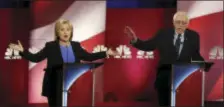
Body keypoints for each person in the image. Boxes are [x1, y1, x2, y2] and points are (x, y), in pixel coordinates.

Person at [9, 19, 119, 107]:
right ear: (57, 32)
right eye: (62, 29)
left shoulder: (76, 46)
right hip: (53, 86)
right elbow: (35, 58)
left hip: (70, 87)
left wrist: (106, 53)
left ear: (71, 32)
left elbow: (89, 57)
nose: (65, 32)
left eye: (68, 29)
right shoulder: (51, 46)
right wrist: (22, 51)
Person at [124, 11, 204, 106]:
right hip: (165, 76)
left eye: (183, 23)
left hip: (183, 78)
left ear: (187, 24)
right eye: (178, 22)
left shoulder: (193, 36)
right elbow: (148, 45)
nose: (180, 25)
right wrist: (135, 40)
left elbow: (195, 54)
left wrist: (202, 64)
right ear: (173, 22)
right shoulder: (163, 34)